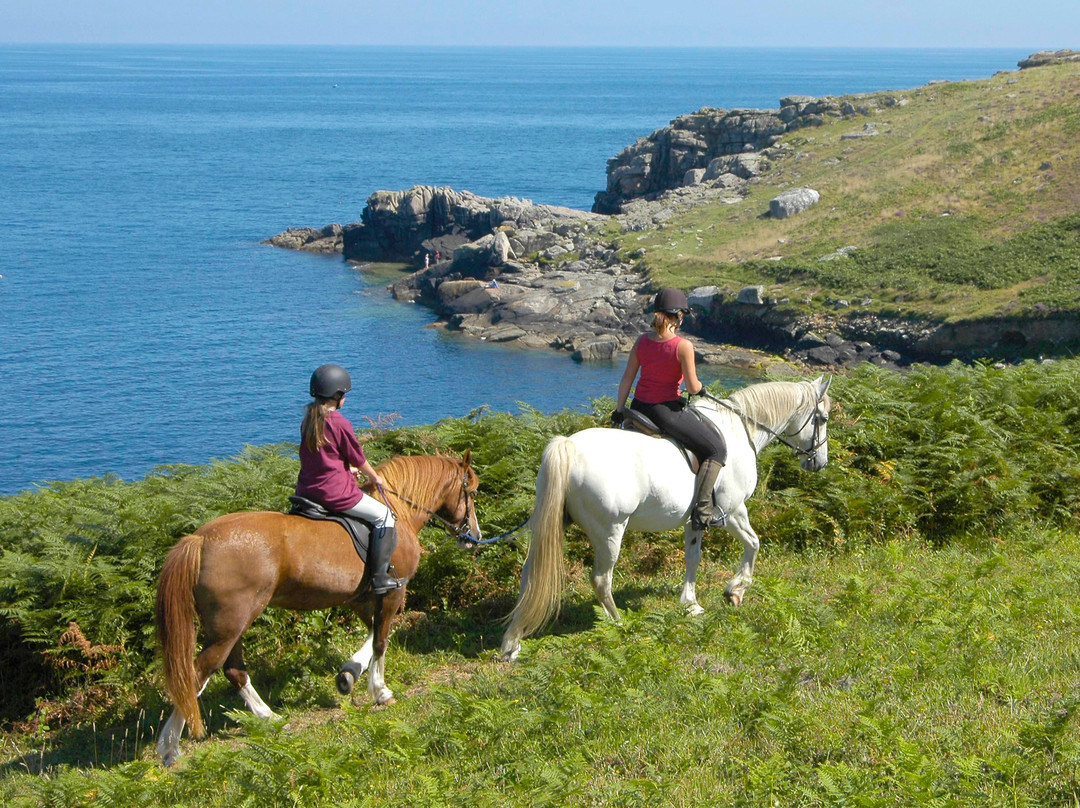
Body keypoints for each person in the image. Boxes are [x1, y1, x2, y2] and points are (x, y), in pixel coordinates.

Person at [612, 288, 728, 529]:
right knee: (716, 449)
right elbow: (693, 387)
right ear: (678, 317)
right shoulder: (683, 346)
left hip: (638, 408)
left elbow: (627, 379)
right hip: (665, 412)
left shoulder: (641, 341)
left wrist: (619, 411)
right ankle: (703, 512)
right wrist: (701, 388)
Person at [296, 363, 403, 594]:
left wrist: (347, 470)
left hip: (306, 490)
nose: (344, 398)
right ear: (336, 395)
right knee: (385, 516)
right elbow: (357, 456)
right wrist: (375, 477)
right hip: (335, 494)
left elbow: (319, 457)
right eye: (343, 394)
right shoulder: (339, 422)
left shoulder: (308, 420)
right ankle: (379, 578)